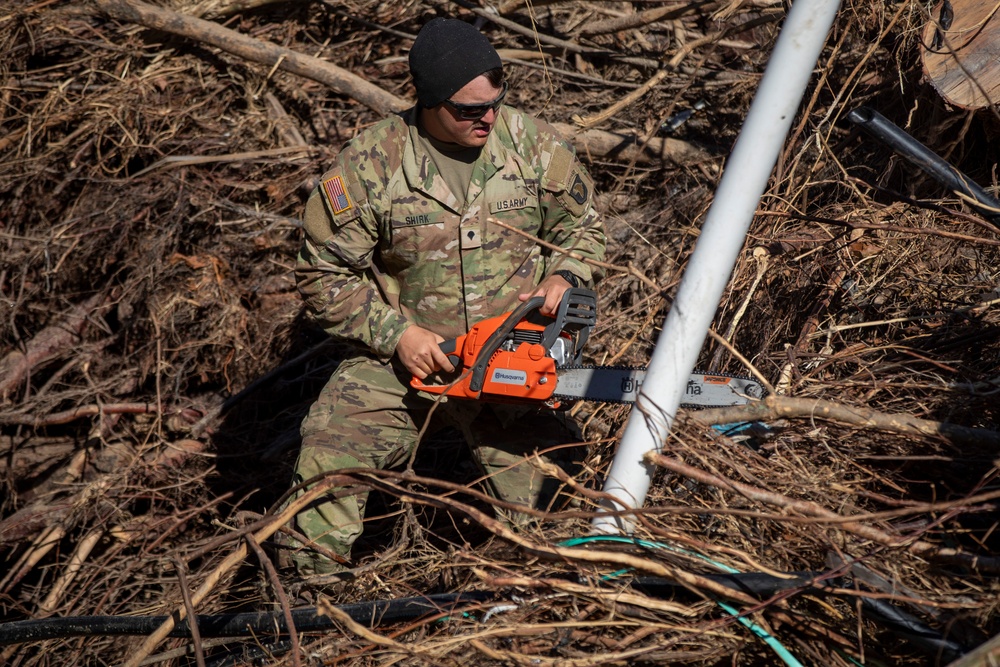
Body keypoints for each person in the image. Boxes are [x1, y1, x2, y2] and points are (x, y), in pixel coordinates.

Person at [288, 16, 607, 576]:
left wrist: (565, 276)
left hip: (512, 356)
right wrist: (397, 334)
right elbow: (321, 272)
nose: (487, 117)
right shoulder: (373, 162)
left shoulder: (531, 145)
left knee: (556, 506)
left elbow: (583, 230)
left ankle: (536, 602)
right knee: (328, 460)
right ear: (429, 102)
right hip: (402, 358)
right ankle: (305, 605)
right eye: (468, 110)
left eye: (494, 100)